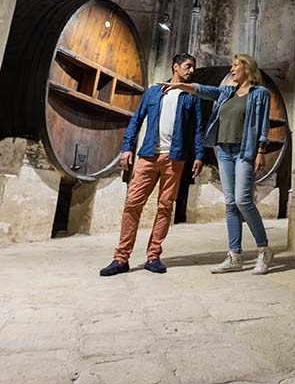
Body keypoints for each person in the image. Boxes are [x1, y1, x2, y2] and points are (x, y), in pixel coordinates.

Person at [162, 53, 273, 275]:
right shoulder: (227, 92)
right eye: (231, 66)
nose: (232, 69)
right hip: (223, 150)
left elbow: (262, 125)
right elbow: (204, 90)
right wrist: (182, 86)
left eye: (235, 66)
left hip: (244, 151)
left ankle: (264, 249)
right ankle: (234, 256)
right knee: (231, 203)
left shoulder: (260, 94)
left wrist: (260, 150)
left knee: (243, 200)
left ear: (247, 68)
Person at [99, 53, 204, 276]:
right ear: (175, 67)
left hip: (174, 158)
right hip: (147, 156)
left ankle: (153, 256)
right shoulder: (154, 92)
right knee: (132, 205)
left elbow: (198, 129)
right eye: (188, 66)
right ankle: (121, 258)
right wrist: (127, 147)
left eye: (193, 67)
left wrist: (199, 155)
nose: (191, 71)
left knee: (165, 206)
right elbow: (136, 119)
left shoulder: (192, 96)